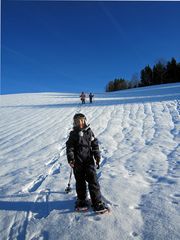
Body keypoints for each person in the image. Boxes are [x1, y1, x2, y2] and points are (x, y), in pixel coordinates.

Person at [66, 113, 108, 213]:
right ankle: (82, 199)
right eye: (77, 121)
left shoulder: (89, 132)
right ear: (74, 123)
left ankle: (96, 201)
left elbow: (95, 145)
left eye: (81, 120)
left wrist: (97, 156)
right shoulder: (73, 134)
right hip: (77, 162)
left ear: (84, 121)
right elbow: (70, 147)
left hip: (89, 161)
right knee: (80, 182)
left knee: (93, 180)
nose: (79, 123)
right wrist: (71, 158)